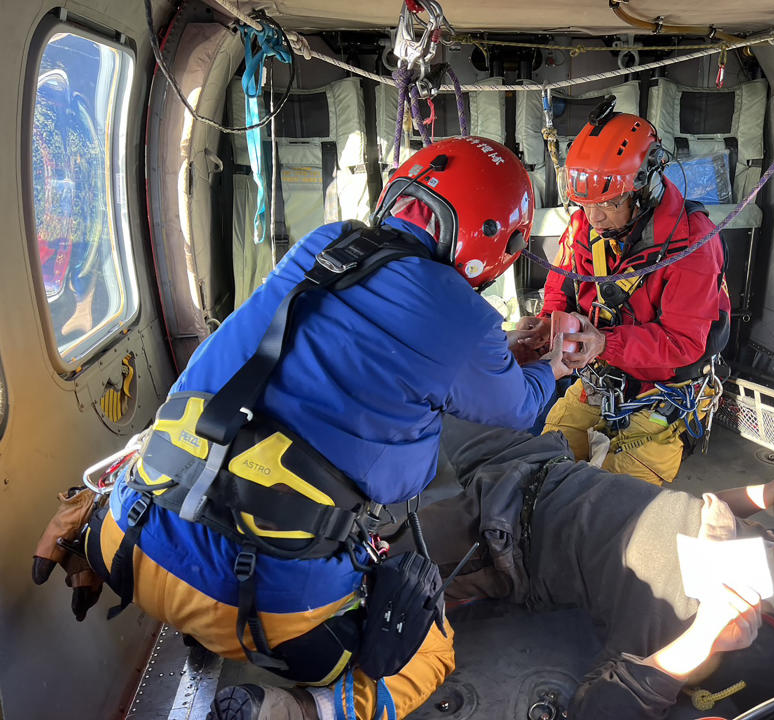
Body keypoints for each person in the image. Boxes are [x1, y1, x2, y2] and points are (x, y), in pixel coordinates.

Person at [33, 138, 575, 719]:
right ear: (495, 242)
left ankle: (89, 534)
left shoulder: (329, 243)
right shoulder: (467, 321)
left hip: (124, 544)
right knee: (431, 650)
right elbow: (521, 409)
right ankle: (297, 711)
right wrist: (560, 364)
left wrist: (496, 353)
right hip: (258, 613)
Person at [206, 417, 774, 720]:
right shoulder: (719, 582)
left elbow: (599, 707)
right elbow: (703, 504)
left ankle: (292, 703)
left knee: (336, 538)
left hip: (508, 500)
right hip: (516, 485)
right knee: (384, 440)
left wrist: (698, 640)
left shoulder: (695, 586)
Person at [527, 96, 731, 486]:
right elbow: (560, 292)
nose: (595, 217)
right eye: (585, 204)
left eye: (610, 203)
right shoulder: (584, 225)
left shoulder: (693, 244)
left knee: (612, 503)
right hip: (597, 380)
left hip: (661, 393)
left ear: (647, 189)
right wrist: (546, 327)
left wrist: (604, 343)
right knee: (540, 469)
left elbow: (683, 343)